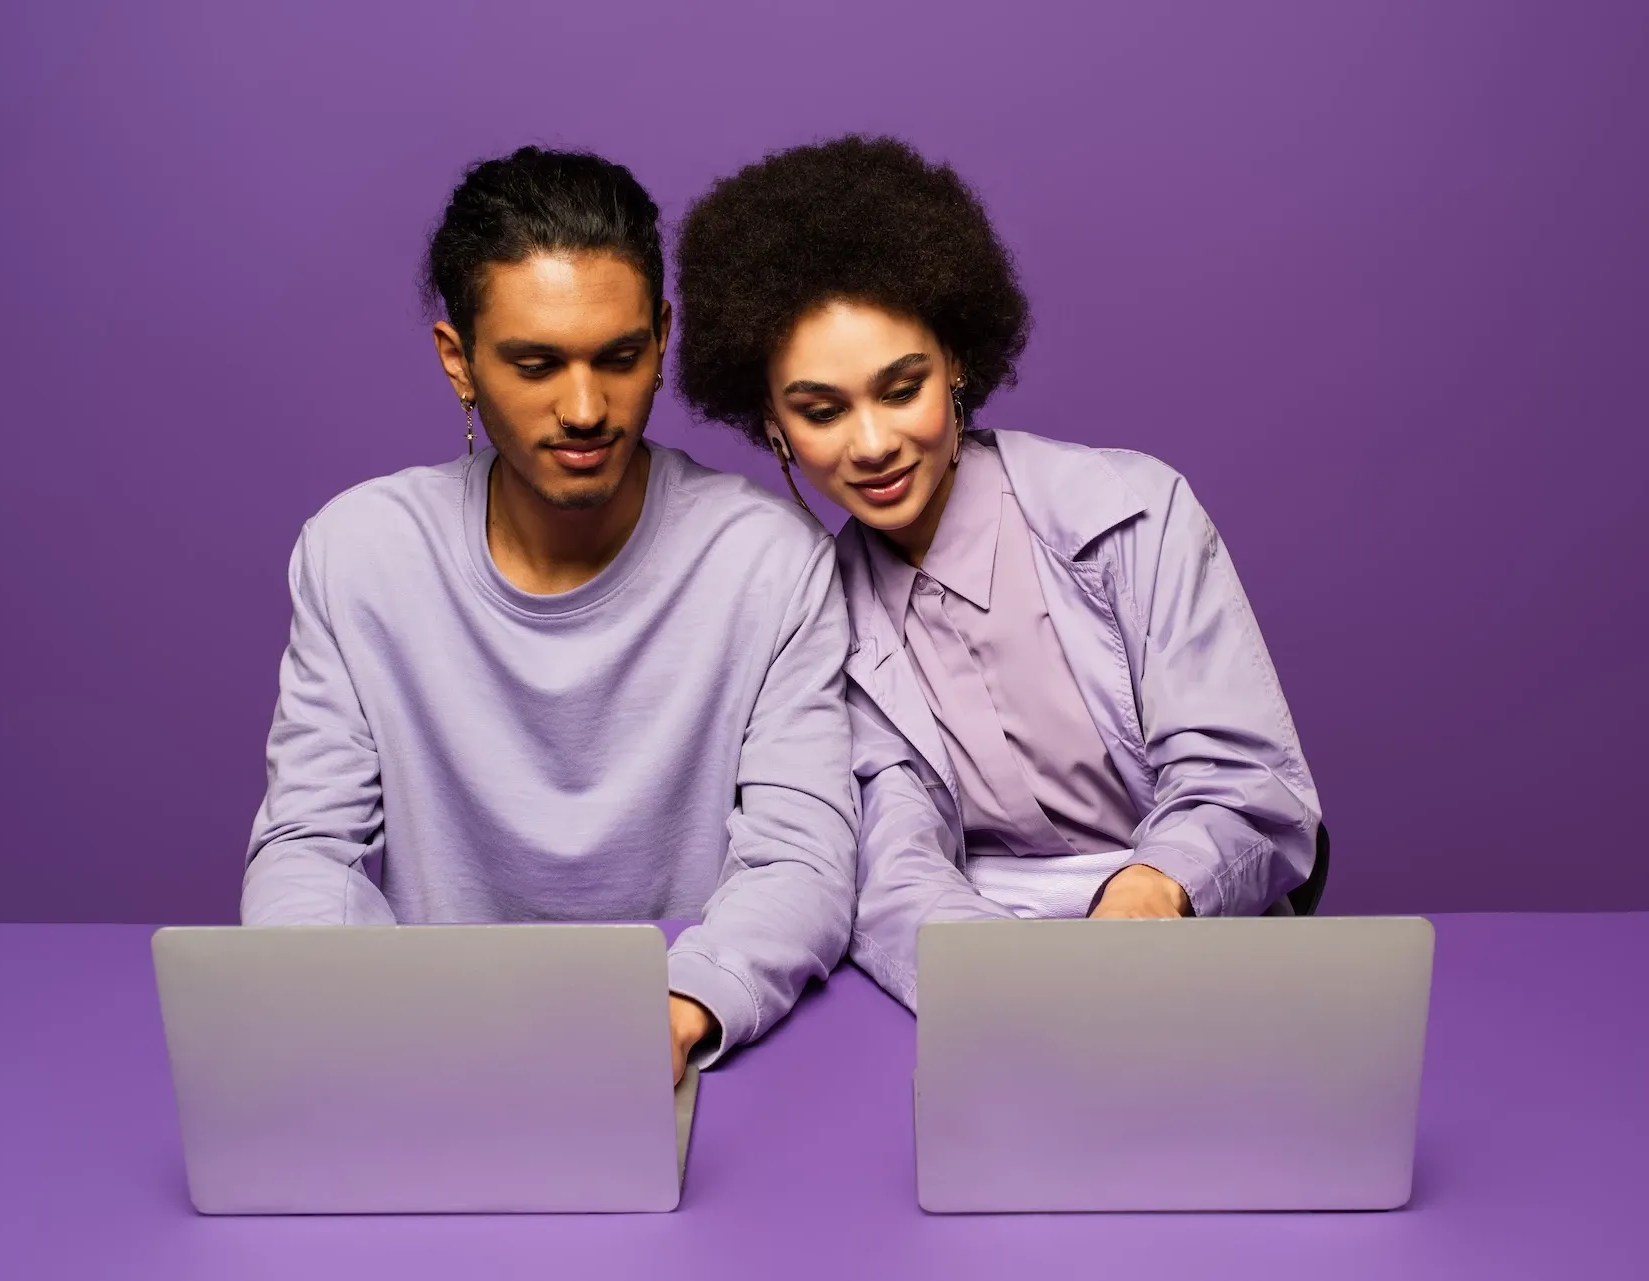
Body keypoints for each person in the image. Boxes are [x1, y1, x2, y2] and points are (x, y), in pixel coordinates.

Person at [242, 146, 858, 1077]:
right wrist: (347, 1004)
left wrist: (686, 1003)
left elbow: (803, 855)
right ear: (459, 361)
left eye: (619, 357)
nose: (585, 407)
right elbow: (308, 845)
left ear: (661, 336)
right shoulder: (358, 552)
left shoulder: (768, 561)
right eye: (536, 364)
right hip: (427, 1053)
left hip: (680, 1050)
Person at [674, 136, 1320, 1009]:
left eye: (901, 388)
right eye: (822, 410)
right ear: (773, 423)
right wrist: (1005, 987)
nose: (871, 444)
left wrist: (1151, 888)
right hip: (987, 982)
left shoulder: (1132, 512)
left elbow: (1247, 784)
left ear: (957, 364)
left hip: (1189, 947)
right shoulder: (817, 615)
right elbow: (895, 862)